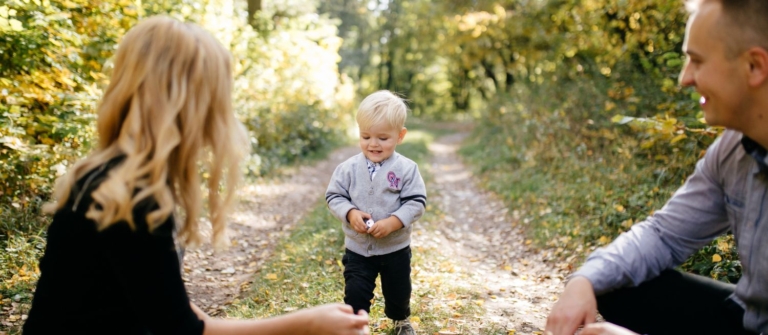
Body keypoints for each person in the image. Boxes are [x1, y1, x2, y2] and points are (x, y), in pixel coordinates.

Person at [22, 16, 369, 335]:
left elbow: (176, 315)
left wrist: (309, 320)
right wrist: (307, 325)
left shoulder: (116, 181)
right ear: (190, 105)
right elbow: (181, 330)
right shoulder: (130, 198)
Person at [545, 0, 768, 334]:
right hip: (750, 317)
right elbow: (662, 236)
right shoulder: (732, 148)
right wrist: (584, 279)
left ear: (754, 66)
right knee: (613, 281)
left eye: (696, 60)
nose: (684, 78)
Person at [325, 90, 427, 335]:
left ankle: (400, 320)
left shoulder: (406, 169)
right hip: (358, 248)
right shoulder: (347, 169)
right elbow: (334, 196)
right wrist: (350, 213)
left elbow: (416, 202)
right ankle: (356, 325)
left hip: (395, 249)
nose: (373, 144)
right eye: (366, 136)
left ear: (400, 136)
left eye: (383, 138)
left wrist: (394, 221)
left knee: (398, 291)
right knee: (356, 291)